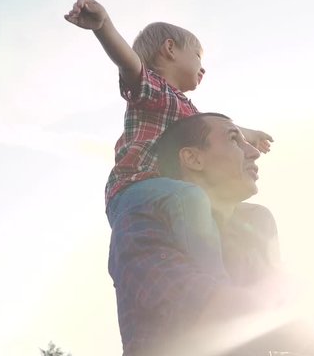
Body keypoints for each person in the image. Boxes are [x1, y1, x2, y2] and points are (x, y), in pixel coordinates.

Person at [64, 0, 273, 279]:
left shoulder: (189, 111)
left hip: (169, 193)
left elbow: (223, 127)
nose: (203, 67)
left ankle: (267, 285)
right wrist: (104, 27)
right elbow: (129, 64)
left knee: (252, 216)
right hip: (133, 191)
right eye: (198, 56)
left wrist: (250, 134)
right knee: (192, 197)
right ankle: (216, 285)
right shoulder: (152, 90)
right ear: (170, 49)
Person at [108, 112, 287, 355]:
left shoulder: (254, 227)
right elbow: (204, 306)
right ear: (192, 158)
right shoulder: (141, 224)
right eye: (234, 139)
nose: (254, 152)